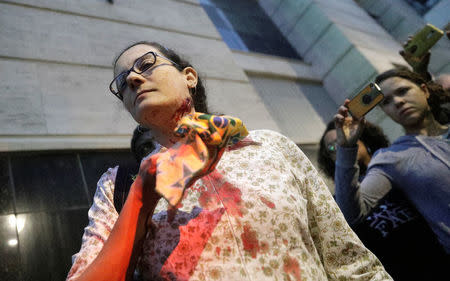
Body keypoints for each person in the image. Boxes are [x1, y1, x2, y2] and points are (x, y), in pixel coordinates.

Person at [67, 41, 392, 281]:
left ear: (189, 77)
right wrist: (142, 194)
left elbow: (348, 261)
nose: (134, 79)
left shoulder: (270, 147)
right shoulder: (118, 185)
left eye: (147, 64)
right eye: (122, 82)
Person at [333, 68, 450, 274]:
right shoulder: (391, 158)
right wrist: (346, 148)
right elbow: (352, 213)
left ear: (425, 90)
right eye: (386, 101)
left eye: (403, 91)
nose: (398, 102)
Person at [319, 121, 447, 280]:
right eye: (332, 147)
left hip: (440, 256)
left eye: (344, 138)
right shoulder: (338, 202)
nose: (340, 146)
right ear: (330, 160)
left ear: (363, 138)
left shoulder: (395, 165)